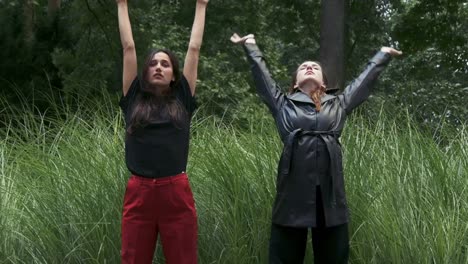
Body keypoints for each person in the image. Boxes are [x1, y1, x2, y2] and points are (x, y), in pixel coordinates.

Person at [231, 33, 402, 264]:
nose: (309, 67)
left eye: (314, 66)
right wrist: (250, 46)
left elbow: (363, 82)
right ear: (294, 83)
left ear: (324, 83)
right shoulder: (283, 103)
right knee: (284, 255)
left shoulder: (338, 103)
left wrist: (383, 54)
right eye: (303, 67)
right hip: (293, 188)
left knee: (333, 254)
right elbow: (263, 78)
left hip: (329, 189)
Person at [116, 0, 209, 263]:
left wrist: (201, 5)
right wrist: (121, 4)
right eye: (153, 63)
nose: (158, 67)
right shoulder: (133, 97)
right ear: (144, 73)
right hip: (139, 193)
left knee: (183, 258)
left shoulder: (183, 98)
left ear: (173, 75)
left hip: (175, 192)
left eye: (165, 64)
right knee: (133, 258)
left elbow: (194, 49)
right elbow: (128, 47)